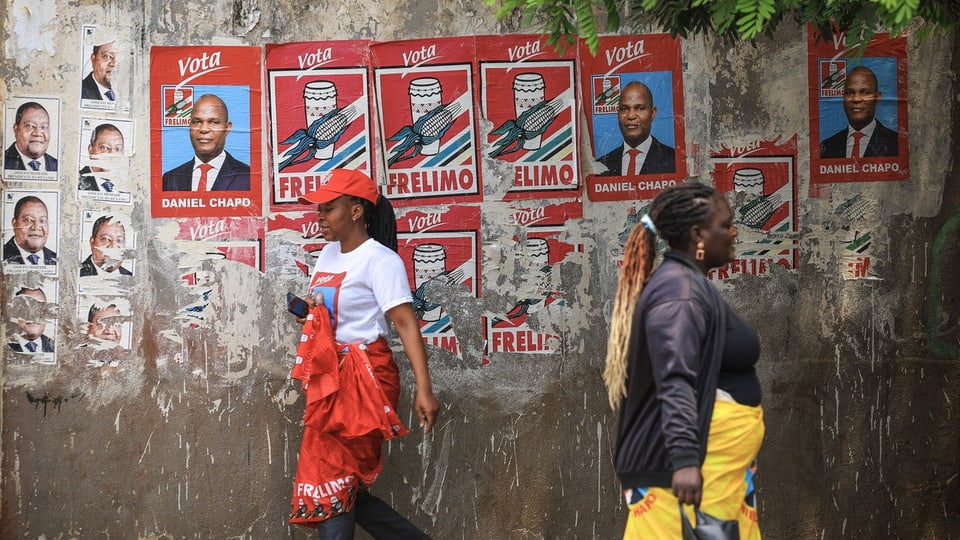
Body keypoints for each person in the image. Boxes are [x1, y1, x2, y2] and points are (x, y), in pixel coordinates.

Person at [603, 182, 764, 539]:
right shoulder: (679, 293)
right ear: (698, 235)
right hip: (691, 470)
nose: (733, 232)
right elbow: (674, 377)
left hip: (718, 470)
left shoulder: (688, 284)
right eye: (725, 225)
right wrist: (686, 460)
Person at [288, 168, 439, 538]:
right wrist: (310, 312)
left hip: (364, 378)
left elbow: (405, 323)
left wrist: (424, 388)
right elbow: (331, 316)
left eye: (328, 209)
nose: (319, 217)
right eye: (318, 210)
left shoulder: (380, 260)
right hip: (330, 378)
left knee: (334, 477)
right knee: (341, 483)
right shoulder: (327, 254)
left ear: (356, 211)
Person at [162, 94, 250, 191]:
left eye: (213, 122)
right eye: (197, 122)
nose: (204, 129)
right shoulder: (170, 179)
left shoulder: (248, 177)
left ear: (227, 128)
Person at [597, 81, 675, 176]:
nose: (631, 115)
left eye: (640, 108)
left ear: (652, 113)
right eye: (624, 109)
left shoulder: (674, 160)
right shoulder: (601, 166)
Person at [820, 65, 898, 158]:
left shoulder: (897, 143)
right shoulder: (827, 147)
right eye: (849, 92)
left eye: (865, 92)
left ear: (877, 98)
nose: (856, 99)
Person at [3, 195, 57, 265]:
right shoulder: (3, 254)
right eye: (28, 220)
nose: (36, 227)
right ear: (14, 224)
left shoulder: (56, 259)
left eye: (42, 220)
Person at [4, 102, 58, 172]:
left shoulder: (57, 165)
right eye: (29, 126)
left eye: (44, 127)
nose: (38, 133)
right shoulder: (3, 161)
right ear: (16, 129)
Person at [79, 123, 124, 192]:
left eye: (117, 149)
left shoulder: (127, 187)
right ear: (90, 150)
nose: (112, 154)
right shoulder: (75, 183)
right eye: (104, 147)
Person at [8, 287, 55, 353]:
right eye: (26, 308)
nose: (33, 315)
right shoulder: (4, 347)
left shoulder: (56, 348)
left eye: (39, 308)